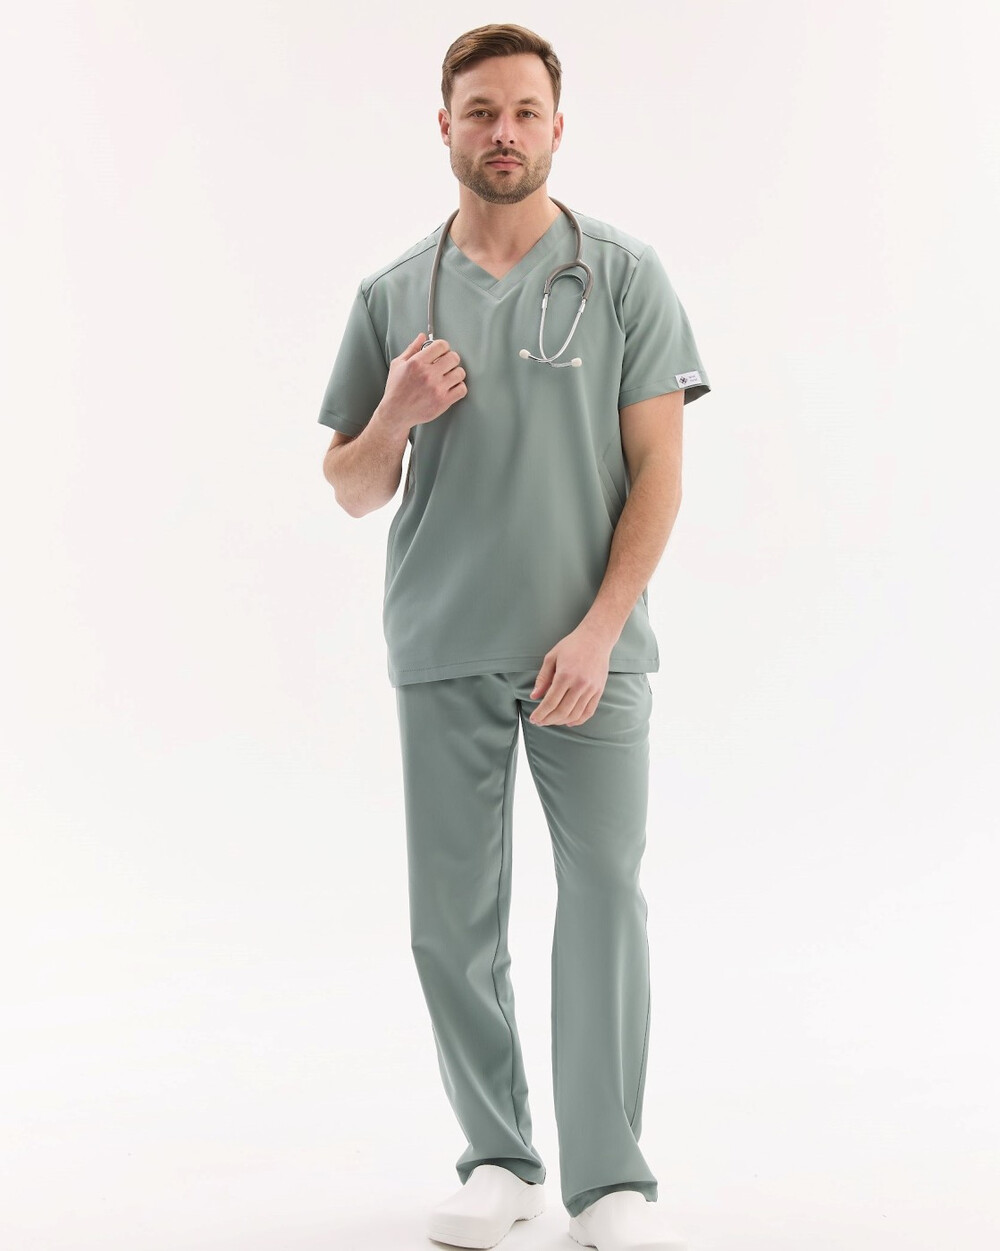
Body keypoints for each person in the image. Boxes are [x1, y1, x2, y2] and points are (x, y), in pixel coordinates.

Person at [318, 23, 710, 1251]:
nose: (503, 132)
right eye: (480, 111)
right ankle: (498, 1162)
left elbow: (659, 474)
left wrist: (599, 629)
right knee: (451, 919)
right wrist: (395, 411)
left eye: (524, 111)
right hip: (444, 639)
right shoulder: (392, 294)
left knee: (602, 901)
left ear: (556, 126)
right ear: (444, 127)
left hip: (591, 650)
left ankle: (609, 1184)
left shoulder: (624, 277)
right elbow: (350, 486)